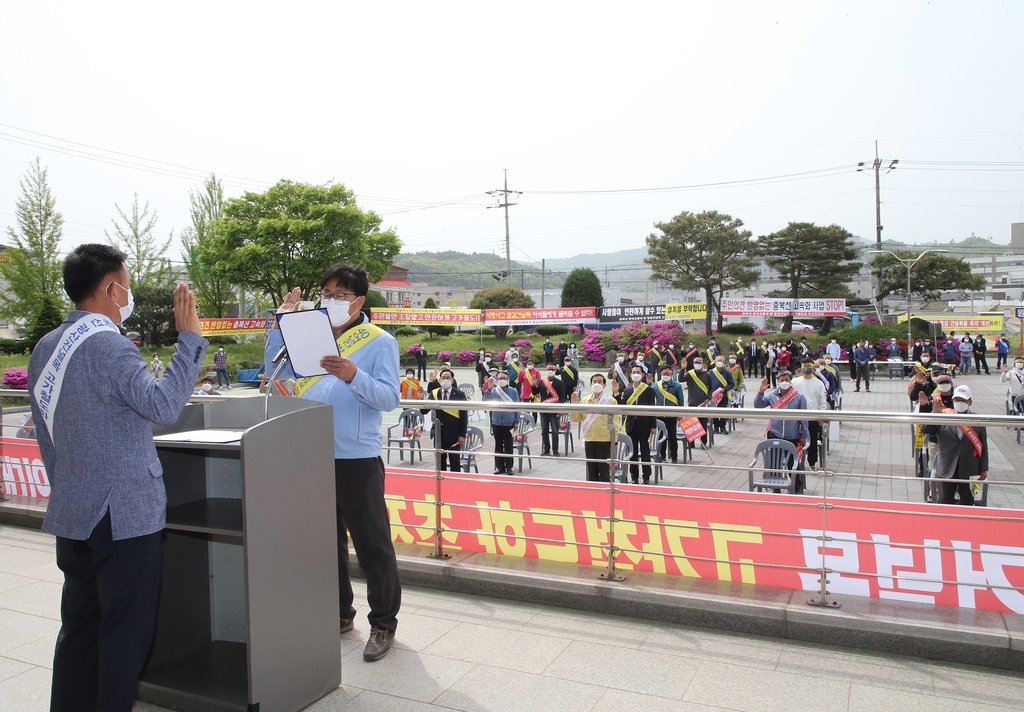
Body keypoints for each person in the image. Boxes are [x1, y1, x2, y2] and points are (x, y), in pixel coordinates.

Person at [28, 244, 208, 710]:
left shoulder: (47, 346)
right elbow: (164, 405)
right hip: (123, 516)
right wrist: (188, 339)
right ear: (112, 288)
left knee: (80, 627)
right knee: (124, 633)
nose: (127, 293)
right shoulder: (107, 343)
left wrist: (70, 486)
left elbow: (48, 436)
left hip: (73, 508)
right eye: (125, 283)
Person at [267, 264, 401, 662]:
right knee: (325, 543)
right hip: (311, 451)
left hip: (356, 456)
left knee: (372, 544)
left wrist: (354, 375)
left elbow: (389, 399)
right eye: (326, 293)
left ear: (359, 300)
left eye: (340, 296)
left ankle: (384, 623)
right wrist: (281, 327)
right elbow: (276, 371)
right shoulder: (309, 332)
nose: (331, 301)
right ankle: (340, 614)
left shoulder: (378, 342)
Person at [921, 385, 988, 505]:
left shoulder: (978, 420)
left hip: (969, 469)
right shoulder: (943, 416)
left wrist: (983, 469)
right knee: (945, 503)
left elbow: (983, 446)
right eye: (957, 400)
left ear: (970, 402)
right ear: (953, 400)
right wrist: (934, 415)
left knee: (967, 504)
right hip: (946, 467)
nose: (960, 403)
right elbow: (925, 429)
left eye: (963, 400)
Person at [753, 371, 809, 493]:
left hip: (792, 435)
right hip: (775, 434)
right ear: (778, 382)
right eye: (782, 380)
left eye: (787, 380)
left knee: (793, 463)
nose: (784, 382)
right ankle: (775, 487)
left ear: (791, 381)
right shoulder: (772, 395)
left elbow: (803, 418)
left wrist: (804, 435)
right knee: (774, 462)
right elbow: (758, 406)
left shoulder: (799, 397)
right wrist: (760, 392)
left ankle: (797, 487)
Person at [570, 374, 619, 482]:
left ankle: (605, 495)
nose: (597, 384)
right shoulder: (584, 401)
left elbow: (615, 424)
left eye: (600, 381)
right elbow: (576, 419)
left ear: (604, 385)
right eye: (594, 381)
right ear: (590, 384)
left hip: (604, 440)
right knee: (592, 472)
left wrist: (614, 442)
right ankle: (594, 495)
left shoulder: (611, 401)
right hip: (589, 439)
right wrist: (574, 406)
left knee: (604, 472)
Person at [615, 364, 656, 484]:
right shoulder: (627, 391)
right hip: (631, 426)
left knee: (645, 452)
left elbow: (652, 408)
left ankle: (647, 476)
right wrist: (617, 394)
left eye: (638, 372)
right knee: (631, 453)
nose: (636, 374)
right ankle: (634, 477)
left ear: (642, 375)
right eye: (634, 372)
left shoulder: (649, 389)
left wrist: (653, 425)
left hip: (645, 425)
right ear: (630, 375)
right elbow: (622, 407)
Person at [423, 368, 468, 472]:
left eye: (448, 378)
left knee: (455, 463)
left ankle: (454, 486)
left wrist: (462, 434)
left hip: (454, 434)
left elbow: (464, 415)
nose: (445, 380)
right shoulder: (435, 393)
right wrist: (420, 399)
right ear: (439, 379)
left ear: (452, 380)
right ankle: (440, 486)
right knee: (440, 464)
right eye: (443, 378)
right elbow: (424, 411)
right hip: (439, 434)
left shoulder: (460, 394)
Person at [790, 359, 828, 472]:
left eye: (809, 366)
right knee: (796, 440)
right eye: (804, 365)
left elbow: (822, 401)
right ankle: (796, 463)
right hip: (796, 417)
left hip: (813, 416)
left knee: (812, 442)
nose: (806, 367)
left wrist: (821, 416)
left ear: (813, 368)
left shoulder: (818, 383)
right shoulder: (795, 382)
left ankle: (812, 463)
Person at [482, 369, 520, 474]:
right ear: (496, 380)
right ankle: (499, 467)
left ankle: (509, 467)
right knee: (498, 444)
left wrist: (516, 421)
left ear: (507, 379)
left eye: (504, 378)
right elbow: (485, 403)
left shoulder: (513, 391)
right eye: (500, 378)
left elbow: (517, 407)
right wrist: (488, 390)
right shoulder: (493, 390)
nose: (502, 380)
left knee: (508, 445)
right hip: (496, 422)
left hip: (509, 422)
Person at [681, 356, 713, 450]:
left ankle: (704, 442)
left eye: (699, 363)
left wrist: (708, 398)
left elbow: (711, 388)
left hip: (703, 403)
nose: (697, 365)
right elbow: (681, 379)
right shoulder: (690, 374)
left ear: (702, 364)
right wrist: (683, 369)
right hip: (692, 402)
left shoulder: (707, 375)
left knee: (703, 423)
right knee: (691, 424)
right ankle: (691, 443)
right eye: (696, 363)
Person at [653, 365, 684, 464]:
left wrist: (680, 413)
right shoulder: (655, 386)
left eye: (668, 374)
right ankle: (662, 456)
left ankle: (674, 457)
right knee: (661, 437)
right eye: (664, 374)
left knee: (672, 437)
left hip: (672, 416)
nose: (666, 375)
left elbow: (681, 400)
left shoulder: (677, 386)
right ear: (661, 374)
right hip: (660, 416)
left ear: (671, 374)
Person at [539, 362, 567, 457]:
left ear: (555, 371)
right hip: (544, 410)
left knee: (555, 431)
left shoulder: (559, 382)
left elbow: (562, 397)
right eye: (548, 370)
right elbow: (535, 392)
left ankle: (555, 450)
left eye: (552, 370)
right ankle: (546, 449)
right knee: (544, 431)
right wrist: (534, 385)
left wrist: (560, 409)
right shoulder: (542, 382)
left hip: (554, 410)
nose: (550, 371)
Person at [708, 356, 734, 434]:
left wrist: (724, 389)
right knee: (714, 411)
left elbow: (731, 384)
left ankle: (723, 427)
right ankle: (716, 427)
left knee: (722, 412)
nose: (719, 362)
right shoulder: (711, 372)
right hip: (713, 396)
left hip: (723, 396)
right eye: (718, 360)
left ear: (723, 362)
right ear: (715, 362)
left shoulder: (727, 373)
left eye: (721, 361)